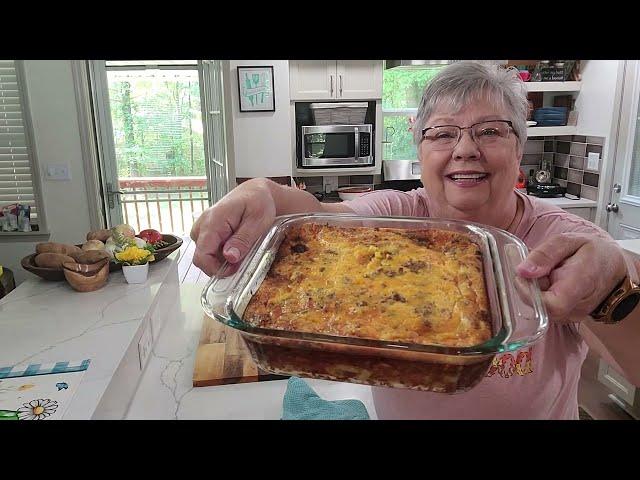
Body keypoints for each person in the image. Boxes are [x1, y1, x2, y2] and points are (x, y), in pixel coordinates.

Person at [191, 61, 637, 419]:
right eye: (443, 133)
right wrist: (263, 191)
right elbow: (314, 219)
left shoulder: (568, 243)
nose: (465, 149)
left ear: (519, 146)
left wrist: (613, 292)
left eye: (490, 131)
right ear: (418, 148)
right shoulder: (399, 216)